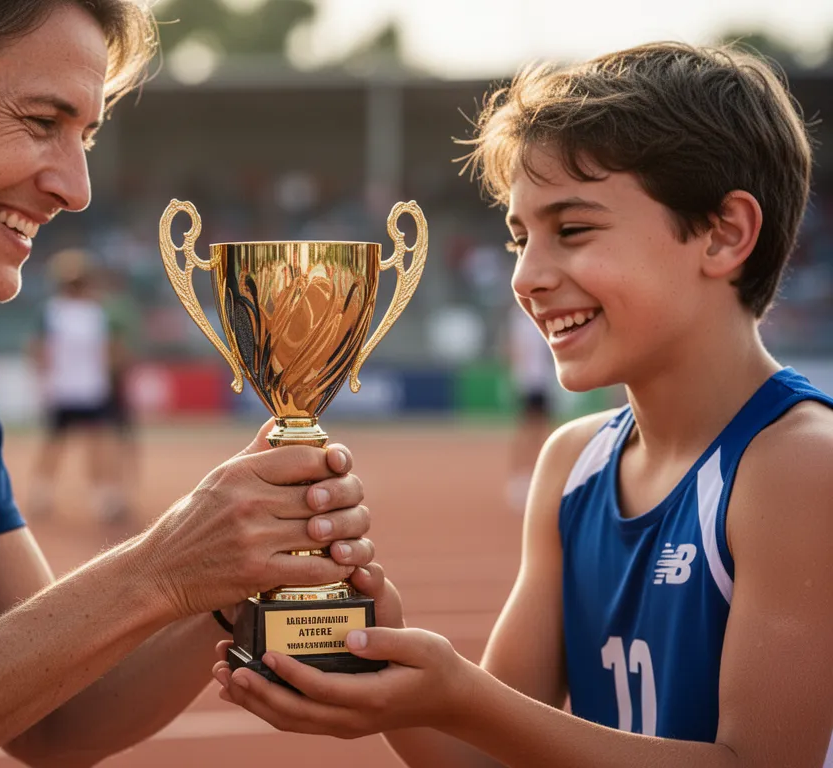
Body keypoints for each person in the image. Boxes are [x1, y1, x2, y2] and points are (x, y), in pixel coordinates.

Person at [214, 42, 833, 767]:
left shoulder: (800, 466)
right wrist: (382, 661)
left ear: (725, 233)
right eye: (518, 239)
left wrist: (462, 695)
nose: (526, 276)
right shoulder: (574, 463)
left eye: (572, 230)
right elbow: (484, 756)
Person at [0, 2, 375, 766]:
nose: (75, 188)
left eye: (86, 137)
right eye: (42, 121)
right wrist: (162, 565)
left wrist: (235, 579)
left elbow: (59, 718)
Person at [29, 248, 126, 522]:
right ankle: (44, 492)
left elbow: (108, 349)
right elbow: (40, 349)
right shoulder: (55, 311)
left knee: (92, 442)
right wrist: (44, 379)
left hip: (88, 387)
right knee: (59, 442)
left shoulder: (94, 312)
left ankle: (102, 497)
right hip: (67, 388)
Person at [505, 301, 555, 511]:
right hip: (528, 382)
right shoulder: (519, 318)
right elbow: (513, 349)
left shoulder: (542, 314)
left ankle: (535, 477)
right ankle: (520, 477)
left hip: (543, 381)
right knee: (528, 431)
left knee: (540, 431)